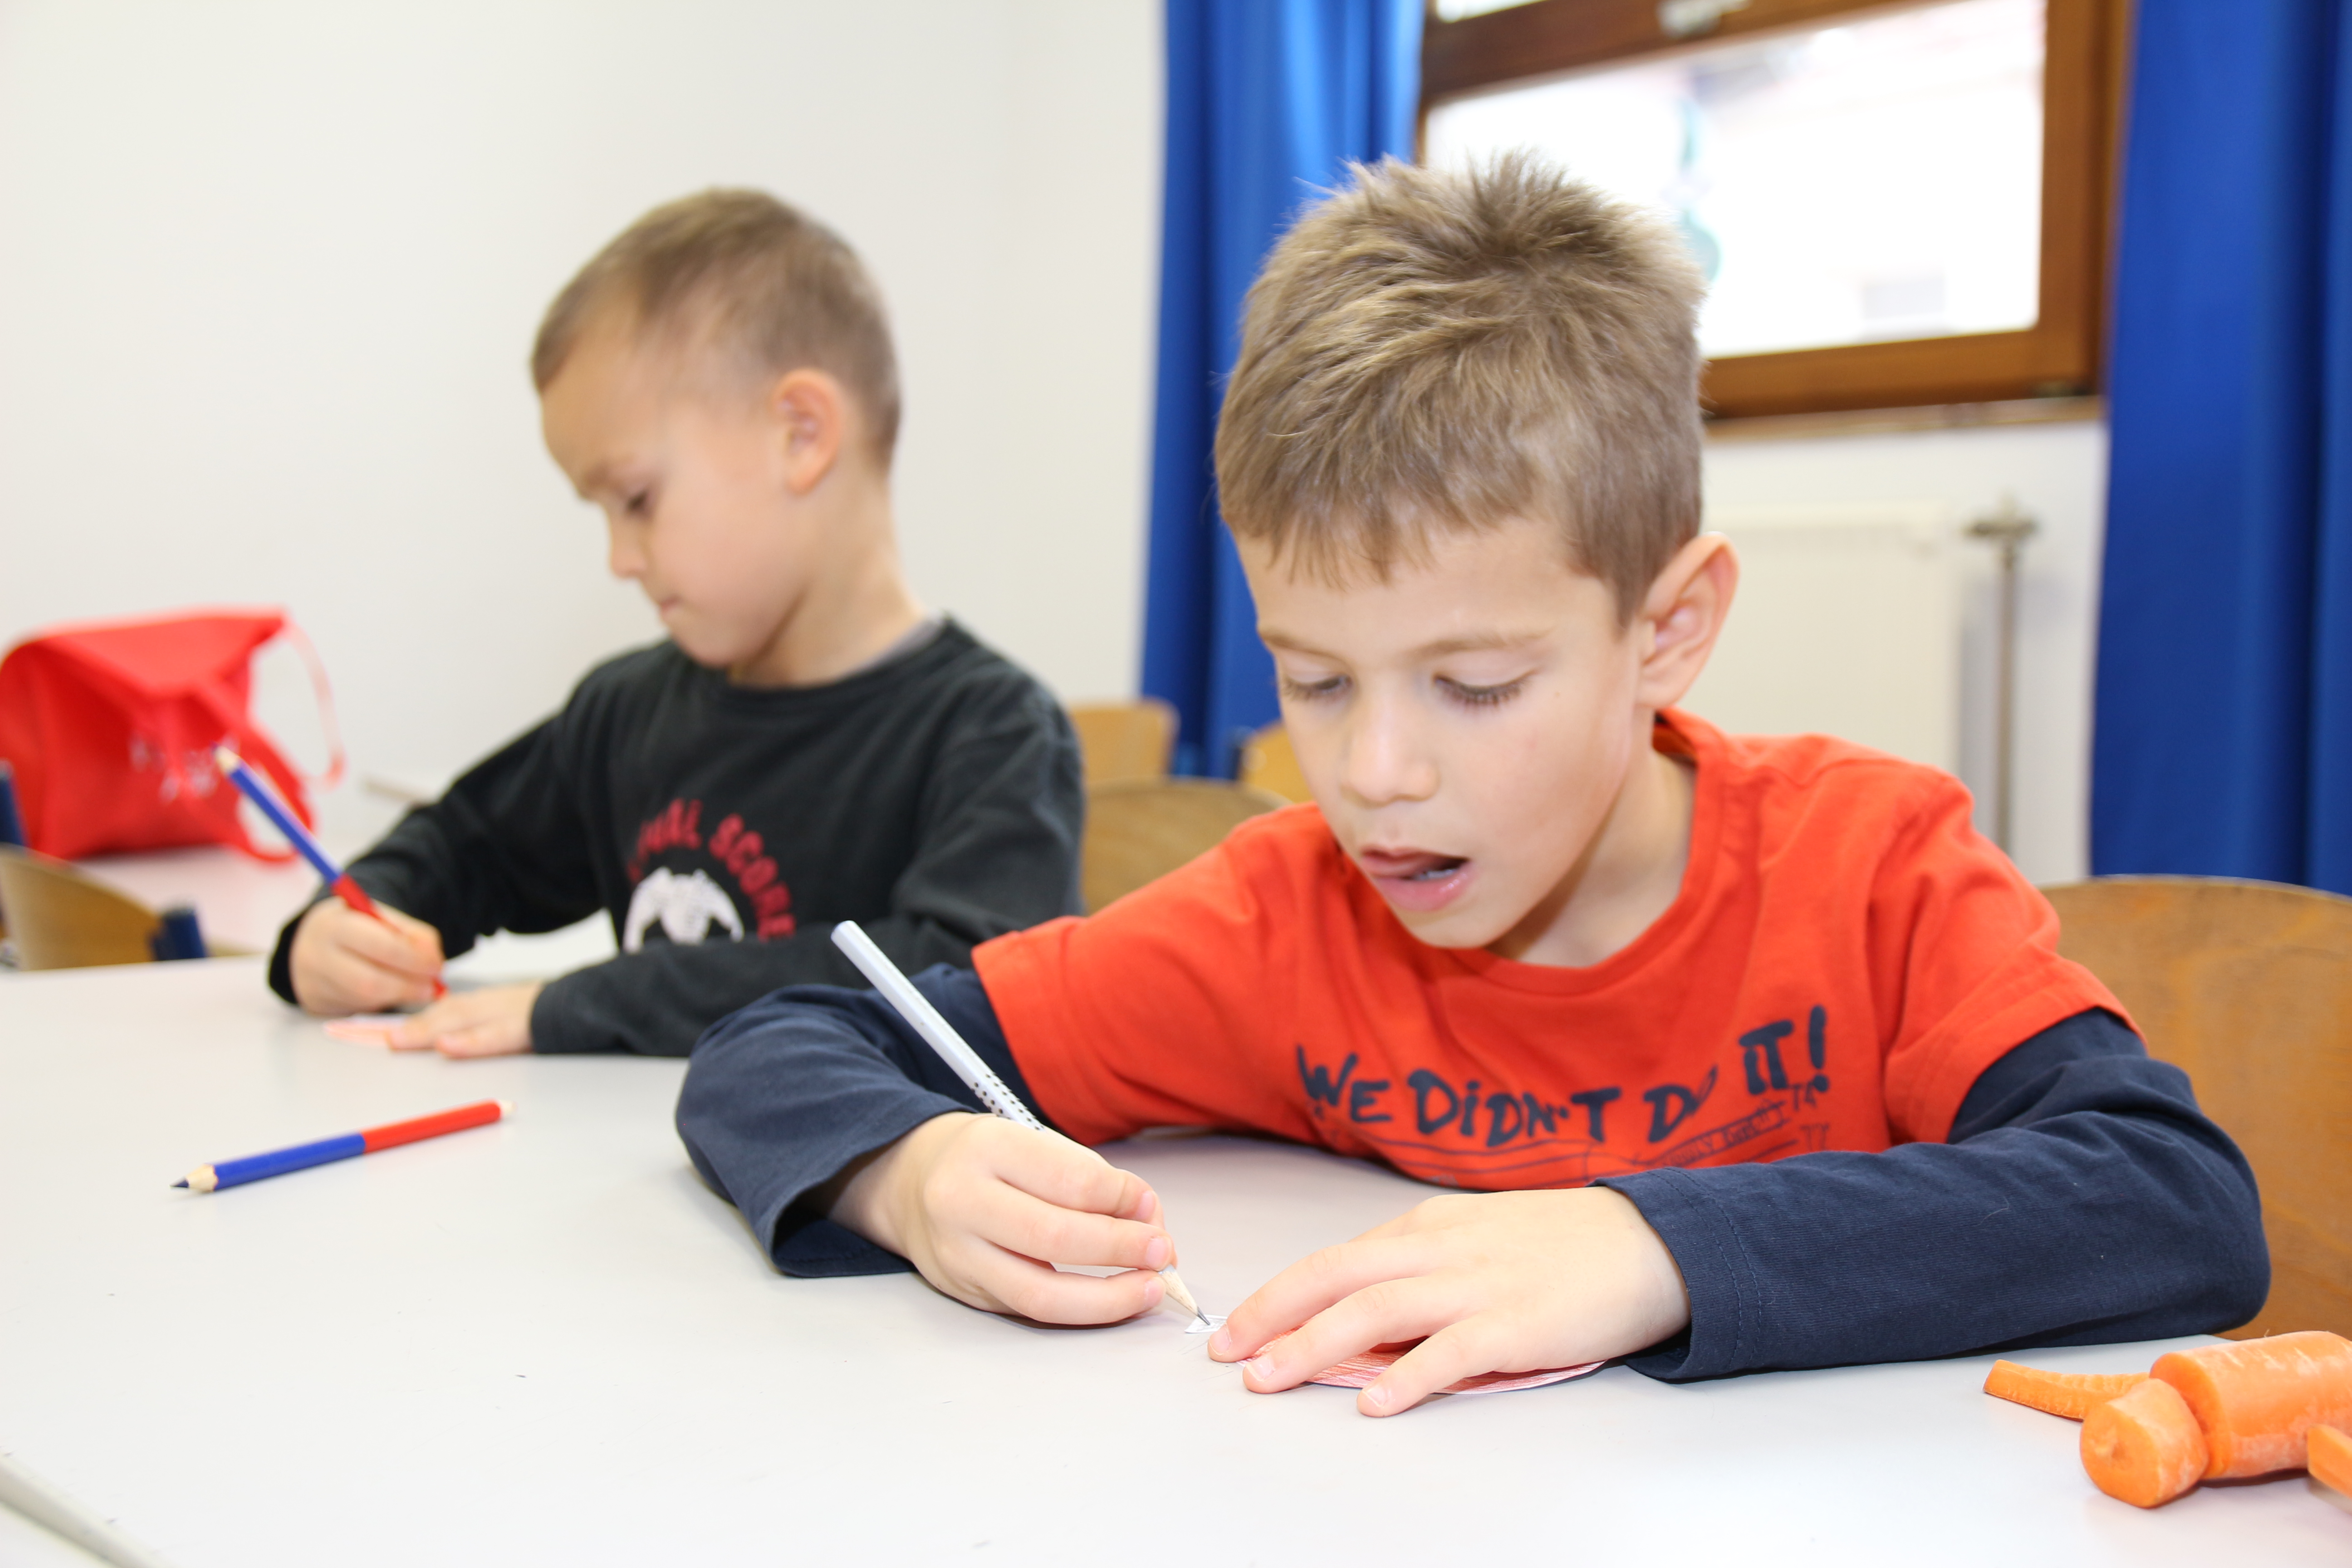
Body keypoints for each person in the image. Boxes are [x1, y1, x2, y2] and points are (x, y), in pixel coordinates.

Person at [673, 157, 2267, 1411]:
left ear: (1667, 631)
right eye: (1314, 679)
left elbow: (2172, 1201)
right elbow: (784, 1046)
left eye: (1478, 684)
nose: (1372, 775)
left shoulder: (1870, 867)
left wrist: (1649, 1244)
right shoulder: (1280, 920)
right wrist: (909, 1173)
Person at [270, 190, 1083, 1057]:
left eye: (637, 499)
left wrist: (583, 1003)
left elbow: (958, 981)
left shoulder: (995, 733)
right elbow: (464, 847)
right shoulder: (628, 714)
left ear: (801, 435)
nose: (620, 558)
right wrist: (338, 930)